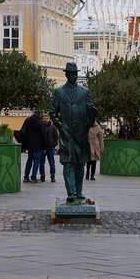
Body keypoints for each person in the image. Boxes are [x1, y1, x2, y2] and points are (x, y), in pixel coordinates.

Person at [50, 62, 97, 201]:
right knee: (68, 163)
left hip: (81, 134)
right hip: (66, 134)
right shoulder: (59, 92)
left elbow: (90, 110)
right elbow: (53, 113)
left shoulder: (84, 91)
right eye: (71, 73)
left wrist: (92, 114)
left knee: (80, 164)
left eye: (75, 73)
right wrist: (61, 127)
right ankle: (71, 193)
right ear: (66, 74)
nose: (74, 76)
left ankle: (79, 191)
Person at [19, 110, 46, 183]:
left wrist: (25, 143)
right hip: (38, 144)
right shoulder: (40, 122)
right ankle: (33, 177)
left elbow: (23, 131)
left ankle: (26, 176)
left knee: (29, 160)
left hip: (29, 144)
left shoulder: (27, 120)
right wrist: (44, 146)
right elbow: (43, 135)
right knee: (36, 161)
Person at [40, 113, 58, 183]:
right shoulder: (40, 127)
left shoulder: (53, 127)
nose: (45, 120)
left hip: (50, 148)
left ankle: (53, 177)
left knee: (52, 163)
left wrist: (54, 145)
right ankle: (42, 177)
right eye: (44, 118)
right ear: (42, 119)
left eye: (46, 118)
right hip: (42, 148)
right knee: (41, 164)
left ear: (49, 119)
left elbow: (56, 137)